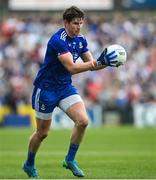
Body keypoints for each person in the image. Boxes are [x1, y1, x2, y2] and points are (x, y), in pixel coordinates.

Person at [22, 6, 120, 178]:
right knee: (43, 133)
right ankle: (29, 164)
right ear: (66, 23)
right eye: (75, 23)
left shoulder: (80, 40)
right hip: (45, 89)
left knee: (83, 121)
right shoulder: (57, 40)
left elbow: (93, 65)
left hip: (65, 87)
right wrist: (97, 62)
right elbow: (72, 67)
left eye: (81, 23)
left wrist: (108, 61)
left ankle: (70, 160)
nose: (79, 27)